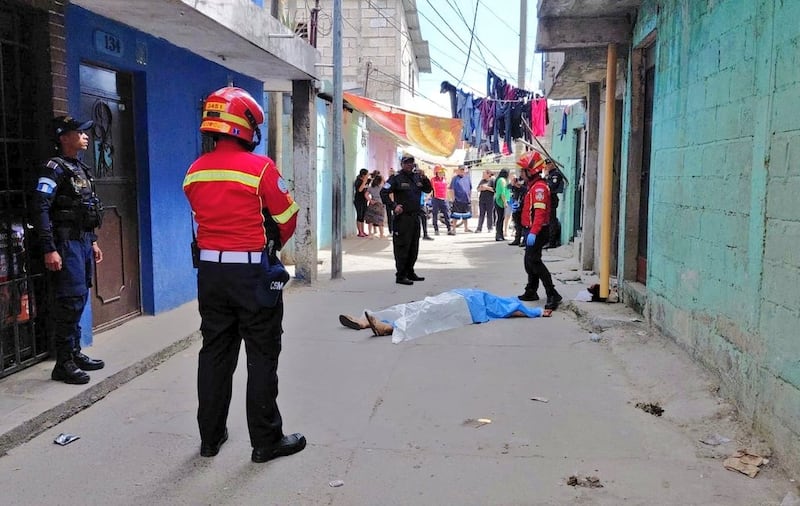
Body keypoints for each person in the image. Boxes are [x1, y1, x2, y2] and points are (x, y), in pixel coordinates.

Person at [183, 86, 305, 463]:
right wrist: (271, 243)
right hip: (252, 274)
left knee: (215, 354)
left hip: (210, 274)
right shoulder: (260, 168)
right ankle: (266, 441)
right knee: (262, 356)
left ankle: (210, 438)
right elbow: (287, 217)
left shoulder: (195, 171)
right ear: (245, 125)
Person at [31, 116, 105, 385]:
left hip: (82, 242)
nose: (85, 136)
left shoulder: (80, 168)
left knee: (80, 296)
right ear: (64, 138)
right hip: (65, 243)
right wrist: (49, 248)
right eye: (79, 132)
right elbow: (40, 208)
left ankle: (74, 353)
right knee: (70, 301)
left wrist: (93, 241)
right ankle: (63, 363)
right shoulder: (53, 169)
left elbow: (87, 208)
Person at [338, 288, 551, 343]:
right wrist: (537, 311)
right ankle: (367, 321)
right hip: (456, 299)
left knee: (425, 312)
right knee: (418, 307)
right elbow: (516, 308)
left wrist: (537, 312)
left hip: (461, 305)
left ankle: (387, 326)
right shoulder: (493, 298)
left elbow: (517, 309)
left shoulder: (505, 304)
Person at [516, 151, 563, 310]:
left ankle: (552, 294)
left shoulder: (539, 189)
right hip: (530, 229)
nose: (521, 173)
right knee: (529, 262)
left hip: (537, 230)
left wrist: (534, 233)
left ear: (530, 171)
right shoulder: (533, 186)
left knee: (534, 261)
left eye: (523, 171)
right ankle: (531, 291)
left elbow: (540, 213)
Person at [380, 153, 432, 285]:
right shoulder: (396, 178)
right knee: (402, 247)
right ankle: (401, 275)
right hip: (402, 219)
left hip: (415, 217)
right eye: (406, 162)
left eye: (411, 162)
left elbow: (428, 189)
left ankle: (410, 272)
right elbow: (383, 192)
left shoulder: (417, 177)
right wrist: (394, 206)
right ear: (402, 164)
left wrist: (424, 177)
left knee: (413, 247)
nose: (409, 165)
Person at [544, 158, 568, 249]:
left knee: (552, 220)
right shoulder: (549, 175)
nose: (547, 166)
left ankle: (552, 242)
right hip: (547, 200)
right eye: (546, 165)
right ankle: (547, 240)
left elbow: (552, 186)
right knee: (548, 220)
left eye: (548, 164)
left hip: (552, 199)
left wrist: (546, 178)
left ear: (552, 164)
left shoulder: (555, 174)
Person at [430, 166, 454, 236]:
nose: (441, 174)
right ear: (436, 173)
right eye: (440, 172)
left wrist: (449, 198)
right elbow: (430, 189)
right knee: (435, 214)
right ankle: (436, 230)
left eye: (442, 172)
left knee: (447, 214)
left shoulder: (445, 179)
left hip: (444, 199)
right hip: (436, 199)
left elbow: (447, 189)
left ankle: (449, 229)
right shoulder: (433, 180)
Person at [449, 165, 473, 232]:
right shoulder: (455, 178)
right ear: (458, 170)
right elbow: (452, 189)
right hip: (457, 199)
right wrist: (453, 198)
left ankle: (466, 228)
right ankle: (454, 229)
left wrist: (469, 197)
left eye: (463, 170)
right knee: (455, 215)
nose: (462, 171)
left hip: (466, 199)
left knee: (465, 215)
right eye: (461, 170)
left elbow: (470, 188)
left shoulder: (467, 178)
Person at [364, 171, 386, 238]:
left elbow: (366, 195)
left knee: (370, 219)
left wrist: (370, 200)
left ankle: (370, 234)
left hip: (372, 204)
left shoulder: (370, 187)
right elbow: (388, 188)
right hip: (380, 204)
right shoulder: (382, 188)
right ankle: (381, 234)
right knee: (380, 219)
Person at [508, 175, 526, 247]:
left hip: (522, 208)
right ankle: (517, 239)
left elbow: (524, 192)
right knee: (517, 224)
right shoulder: (512, 188)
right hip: (515, 208)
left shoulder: (523, 187)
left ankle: (524, 240)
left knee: (523, 225)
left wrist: (519, 186)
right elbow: (509, 190)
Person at [493, 169, 510, 242]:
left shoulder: (501, 180)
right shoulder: (502, 180)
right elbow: (502, 193)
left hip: (501, 201)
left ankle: (501, 235)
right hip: (500, 201)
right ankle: (498, 235)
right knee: (500, 219)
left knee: (501, 218)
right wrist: (505, 202)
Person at [353, 168, 370, 237]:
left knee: (363, 216)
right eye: (367, 174)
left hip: (364, 200)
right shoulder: (358, 181)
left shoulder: (366, 181)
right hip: (358, 201)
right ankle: (360, 232)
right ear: (363, 175)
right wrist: (364, 182)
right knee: (359, 216)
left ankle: (363, 231)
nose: (368, 176)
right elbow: (360, 190)